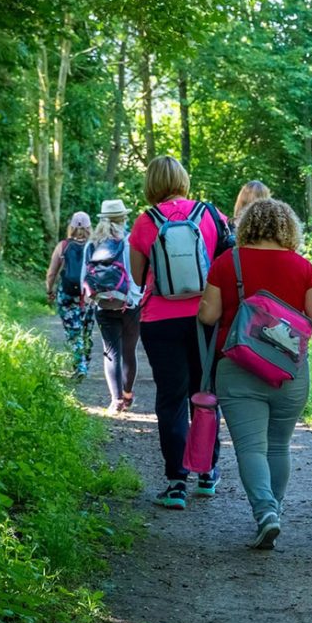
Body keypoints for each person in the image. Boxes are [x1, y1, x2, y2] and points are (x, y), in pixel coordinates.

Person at [198, 199, 312, 549]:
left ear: (247, 226)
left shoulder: (227, 263)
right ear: (288, 229)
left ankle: (266, 513)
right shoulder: (303, 267)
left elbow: (208, 316)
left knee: (250, 448)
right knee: (278, 444)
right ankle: (275, 508)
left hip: (238, 367)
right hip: (290, 371)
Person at [128, 156, 229, 510]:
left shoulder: (144, 221)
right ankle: (207, 472)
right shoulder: (210, 213)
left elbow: (138, 278)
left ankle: (175, 483)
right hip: (205, 315)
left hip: (160, 319)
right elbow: (224, 264)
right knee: (204, 393)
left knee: (171, 399)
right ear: (184, 179)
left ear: (151, 183)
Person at [84, 199, 142, 414]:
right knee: (129, 351)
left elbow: (85, 276)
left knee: (111, 352)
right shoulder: (130, 242)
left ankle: (115, 400)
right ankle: (127, 395)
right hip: (131, 304)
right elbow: (137, 275)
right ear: (124, 219)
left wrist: (92, 297)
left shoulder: (93, 244)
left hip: (102, 304)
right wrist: (137, 297)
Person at [46, 211, 95, 379]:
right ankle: (85, 362)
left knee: (73, 331)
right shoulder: (95, 245)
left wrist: (50, 290)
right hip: (88, 296)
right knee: (87, 330)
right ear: (89, 227)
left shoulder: (63, 246)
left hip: (66, 295)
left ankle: (80, 365)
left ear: (71, 227)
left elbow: (52, 273)